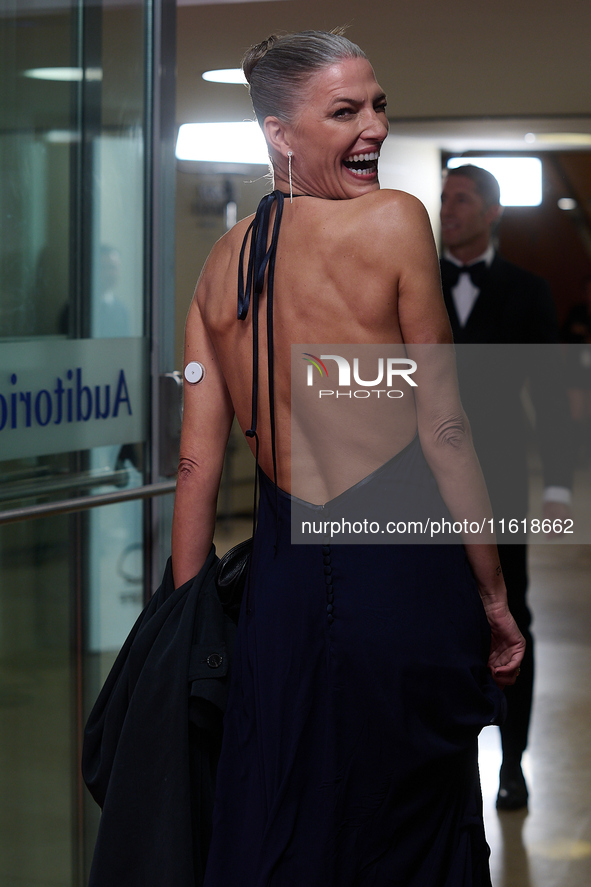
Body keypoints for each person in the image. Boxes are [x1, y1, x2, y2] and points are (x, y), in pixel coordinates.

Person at [173, 32, 524, 886]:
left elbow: (195, 463)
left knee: (288, 811)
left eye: (377, 104)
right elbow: (443, 430)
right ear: (278, 133)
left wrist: (186, 619)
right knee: (411, 817)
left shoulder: (220, 269)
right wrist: (492, 594)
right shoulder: (395, 220)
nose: (374, 126)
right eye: (344, 111)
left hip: (281, 596)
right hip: (401, 570)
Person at [439, 164, 573, 811]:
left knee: (508, 616)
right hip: (424, 488)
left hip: (500, 486)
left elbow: (548, 395)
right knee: (431, 616)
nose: (447, 209)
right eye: (442, 199)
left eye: (460, 199)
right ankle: (444, 759)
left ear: (492, 212)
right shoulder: (416, 281)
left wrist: (560, 485)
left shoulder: (526, 290)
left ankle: (512, 763)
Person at [561, 275, 591, 464]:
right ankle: (573, 453)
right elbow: (564, 340)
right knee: (575, 413)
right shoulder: (577, 312)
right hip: (576, 370)